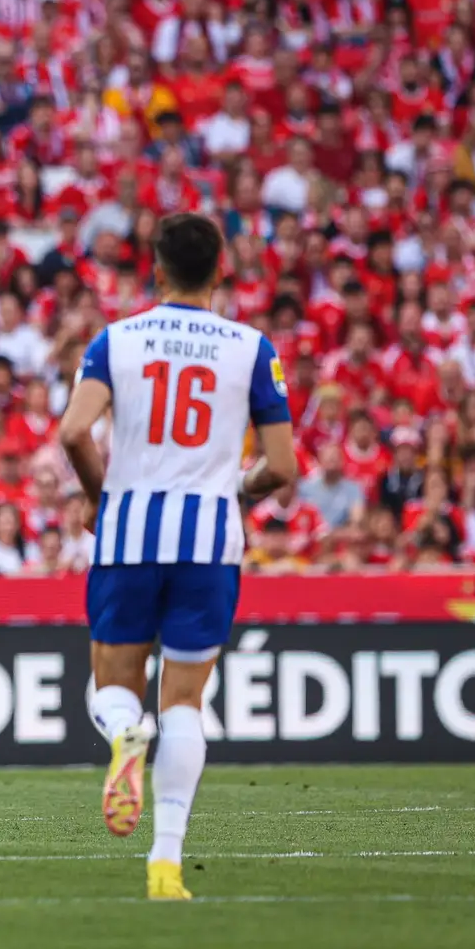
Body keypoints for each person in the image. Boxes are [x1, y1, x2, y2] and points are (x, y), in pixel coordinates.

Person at [58, 212, 298, 902]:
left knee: (112, 685)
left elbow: (75, 430)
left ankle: (126, 732)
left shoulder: (117, 341)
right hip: (209, 538)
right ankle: (165, 865)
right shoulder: (251, 348)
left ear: (155, 269)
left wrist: (105, 492)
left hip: (130, 531)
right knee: (188, 701)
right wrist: (239, 489)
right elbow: (280, 468)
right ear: (222, 269)